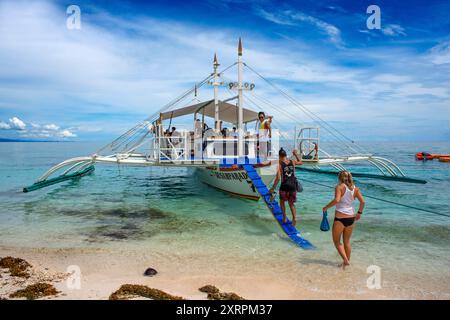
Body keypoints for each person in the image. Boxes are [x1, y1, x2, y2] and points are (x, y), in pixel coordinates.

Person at [322, 171, 365, 269]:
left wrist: (326, 207)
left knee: (337, 242)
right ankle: (346, 263)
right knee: (347, 242)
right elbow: (363, 202)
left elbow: (337, 200)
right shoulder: (356, 189)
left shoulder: (339, 187)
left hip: (340, 218)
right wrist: (359, 213)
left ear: (339, 178)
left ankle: (345, 260)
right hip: (351, 217)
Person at [269, 148, 302, 226]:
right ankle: (294, 218)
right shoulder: (292, 161)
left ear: (280, 156)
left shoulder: (280, 164)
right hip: (293, 186)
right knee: (291, 204)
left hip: (284, 186)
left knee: (282, 202)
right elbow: (301, 162)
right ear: (286, 155)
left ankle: (284, 218)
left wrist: (273, 188)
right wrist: (295, 154)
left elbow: (277, 178)